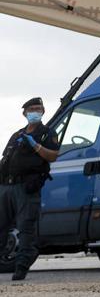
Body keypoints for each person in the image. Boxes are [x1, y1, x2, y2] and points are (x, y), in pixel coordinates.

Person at [0, 98, 59, 281]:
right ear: (24, 113)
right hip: (7, 186)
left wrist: (36, 146)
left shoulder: (47, 133)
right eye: (32, 109)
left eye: (39, 109)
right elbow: (5, 157)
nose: (35, 112)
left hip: (26, 188)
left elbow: (53, 156)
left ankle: (21, 267)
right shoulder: (17, 134)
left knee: (26, 228)